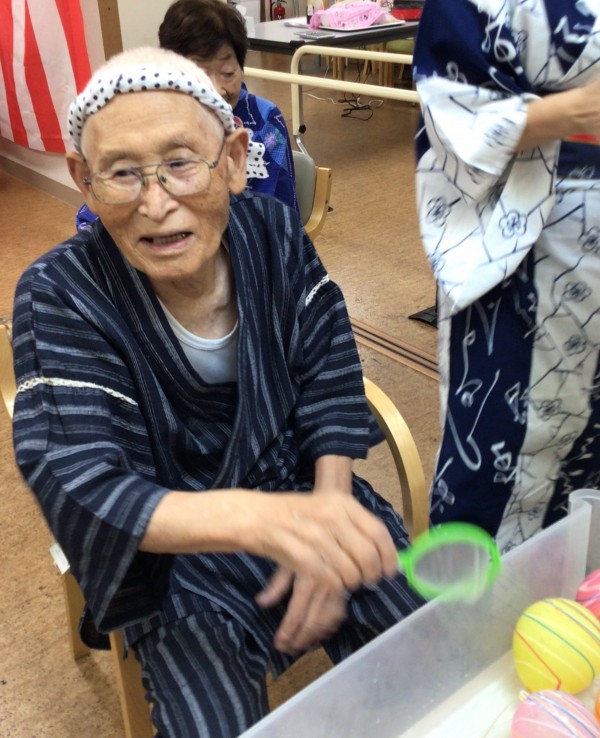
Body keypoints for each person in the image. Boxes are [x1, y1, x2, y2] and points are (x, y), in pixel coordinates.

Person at [12, 47, 421, 738]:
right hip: (176, 555)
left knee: (431, 664)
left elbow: (327, 361)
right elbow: (76, 473)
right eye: (121, 172)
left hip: (303, 490)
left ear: (233, 159)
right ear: (84, 180)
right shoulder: (61, 293)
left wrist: (328, 503)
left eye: (180, 162)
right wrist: (260, 523)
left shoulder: (273, 233)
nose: (155, 203)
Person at [413, 0, 600, 552]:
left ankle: (576, 590)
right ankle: (475, 600)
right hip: (530, 239)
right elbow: (451, 105)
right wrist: (576, 110)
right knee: (504, 438)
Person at [159, 0, 297, 211]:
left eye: (228, 73)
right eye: (200, 76)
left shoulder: (265, 121)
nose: (217, 90)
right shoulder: (156, 121)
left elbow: (280, 214)